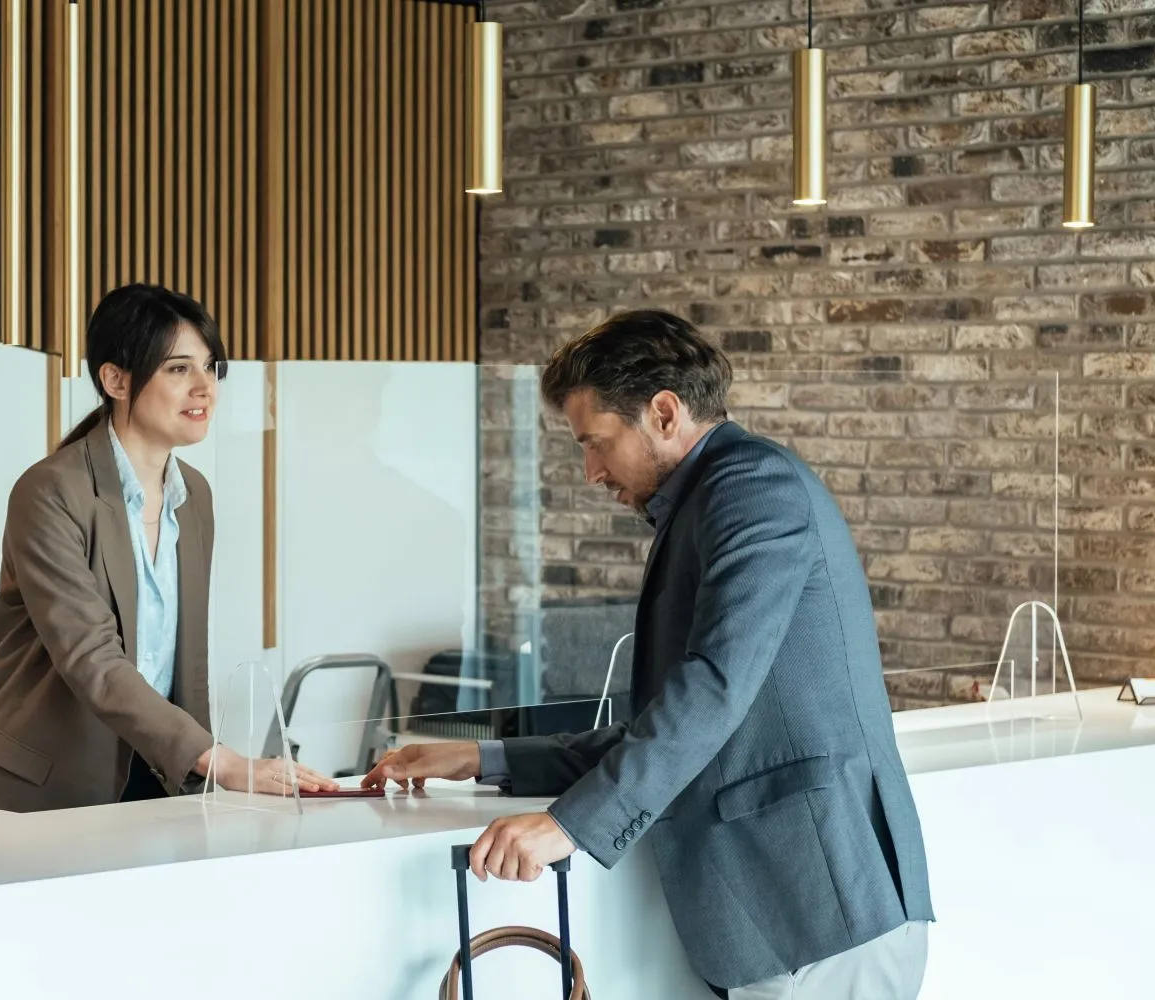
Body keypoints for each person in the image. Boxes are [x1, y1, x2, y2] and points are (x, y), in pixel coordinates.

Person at [364, 310, 933, 998]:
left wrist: (569, 827)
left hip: (821, 904)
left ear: (664, 412)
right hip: (782, 915)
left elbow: (713, 689)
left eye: (597, 442)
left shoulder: (755, 490)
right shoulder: (711, 497)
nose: (591, 470)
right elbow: (664, 724)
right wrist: (483, 756)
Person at [0, 283, 336, 812]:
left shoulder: (193, 494)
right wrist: (222, 761)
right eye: (178, 369)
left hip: (155, 781)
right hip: (33, 791)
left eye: (210, 367)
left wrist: (202, 779)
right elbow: (93, 659)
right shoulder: (51, 491)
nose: (204, 387)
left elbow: (187, 660)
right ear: (116, 379)